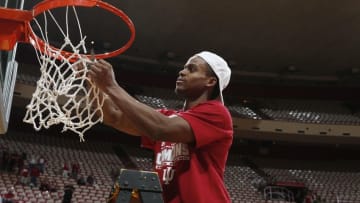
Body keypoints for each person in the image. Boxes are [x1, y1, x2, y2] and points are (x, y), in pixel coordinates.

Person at [87, 51, 233, 203]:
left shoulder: (216, 113)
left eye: (192, 69)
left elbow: (159, 128)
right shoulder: (168, 116)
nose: (182, 72)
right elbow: (114, 116)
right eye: (184, 68)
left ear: (210, 81)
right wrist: (92, 81)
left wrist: (111, 86)